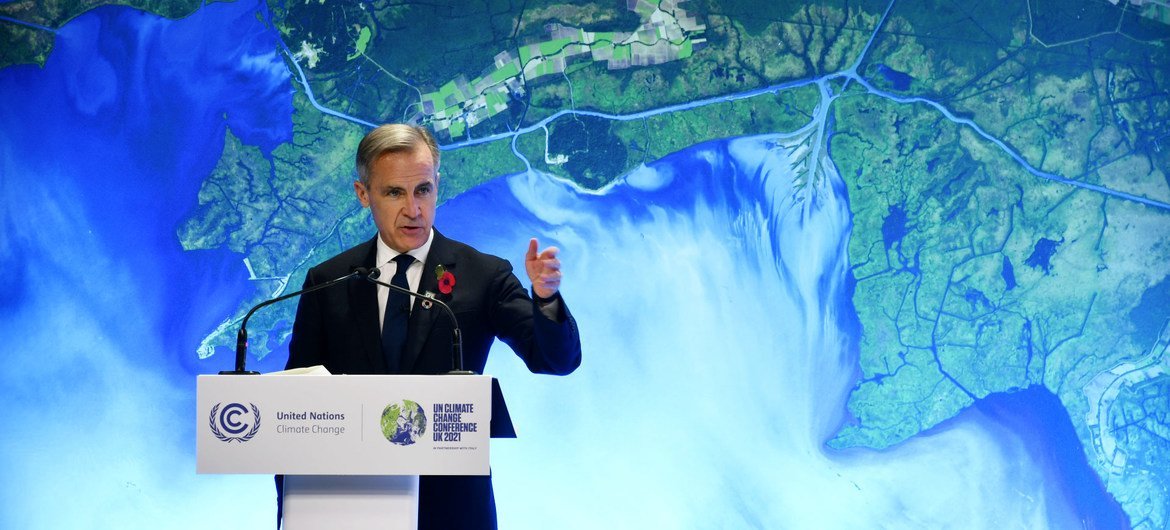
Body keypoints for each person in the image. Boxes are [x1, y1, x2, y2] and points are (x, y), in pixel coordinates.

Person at [280, 124, 582, 529]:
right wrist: (294, 507)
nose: (413, 208)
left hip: (453, 510)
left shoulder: (483, 275)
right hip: (349, 505)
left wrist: (545, 298)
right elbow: (293, 408)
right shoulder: (329, 281)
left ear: (437, 185)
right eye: (394, 193)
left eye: (423, 189)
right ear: (363, 194)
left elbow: (555, 360)